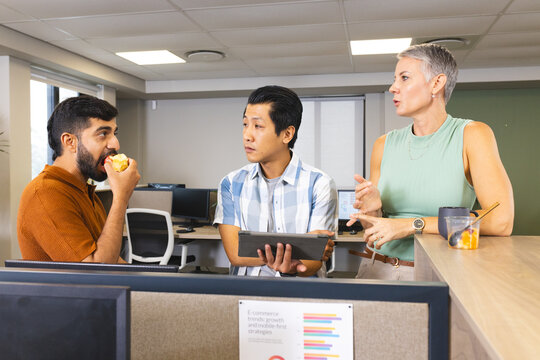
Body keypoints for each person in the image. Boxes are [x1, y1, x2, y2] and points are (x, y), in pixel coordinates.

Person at [347, 44, 514, 280]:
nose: (393, 88)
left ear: (437, 83)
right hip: (376, 269)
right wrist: (373, 209)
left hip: (438, 274)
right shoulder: (383, 144)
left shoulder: (472, 134)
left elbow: (500, 222)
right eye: (395, 79)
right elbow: (375, 231)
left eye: (404, 78)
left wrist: (411, 224)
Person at [214, 85, 337, 277]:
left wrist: (303, 258)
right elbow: (236, 254)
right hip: (246, 295)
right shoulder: (231, 183)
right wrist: (299, 250)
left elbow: (313, 261)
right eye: (245, 124)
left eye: (258, 126)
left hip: (302, 294)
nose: (247, 135)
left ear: (287, 134)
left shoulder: (320, 184)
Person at [17, 95, 140, 263]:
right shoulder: (46, 193)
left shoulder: (84, 191)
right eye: (103, 134)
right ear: (70, 142)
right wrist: (120, 198)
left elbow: (111, 259)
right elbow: (94, 272)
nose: (115, 144)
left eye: (114, 133)